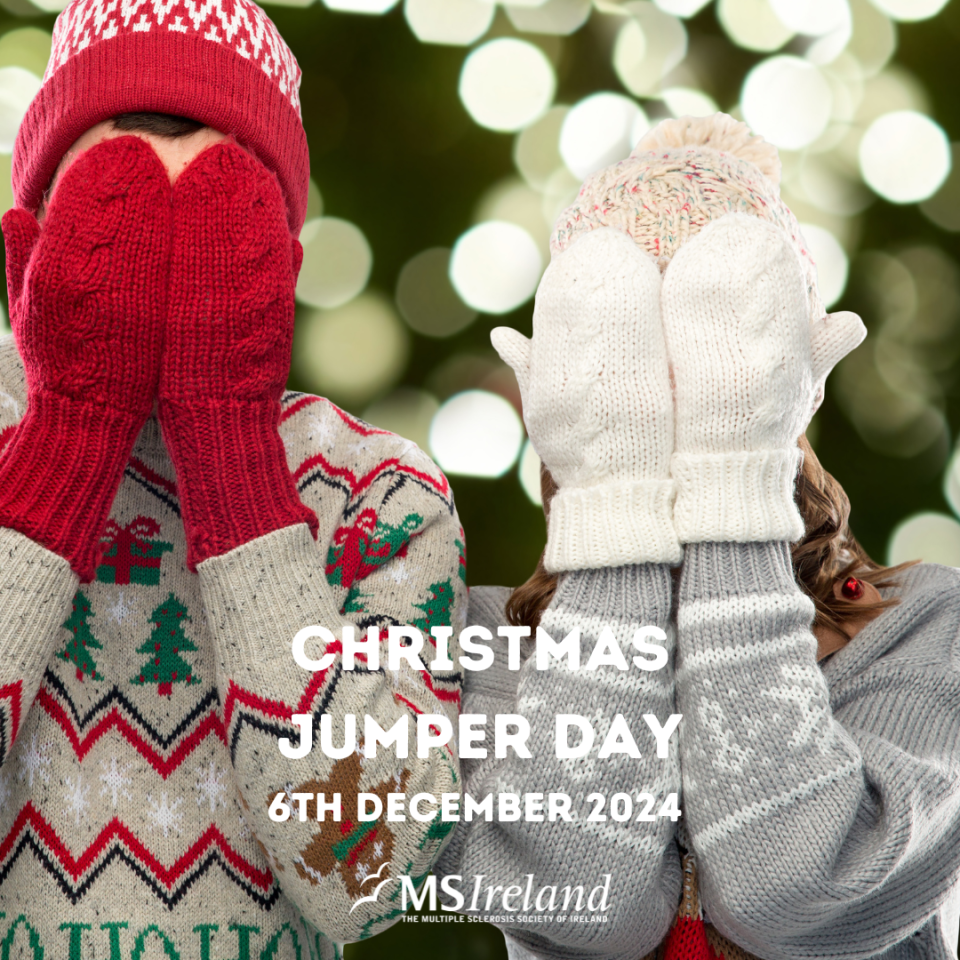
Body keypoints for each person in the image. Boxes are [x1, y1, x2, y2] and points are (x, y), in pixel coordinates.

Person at [0, 1, 465, 956]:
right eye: (115, 197)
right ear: (26, 258)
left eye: (211, 202)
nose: (163, 254)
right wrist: (66, 443)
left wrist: (230, 455)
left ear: (271, 274)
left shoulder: (377, 496)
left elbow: (376, 873)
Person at [437, 113, 960, 960]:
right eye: (622, 351)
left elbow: (798, 891)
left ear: (798, 376)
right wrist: (615, 508)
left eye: (722, 342)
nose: (672, 386)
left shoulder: (928, 627)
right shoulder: (484, 653)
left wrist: (732, 487)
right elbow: (588, 900)